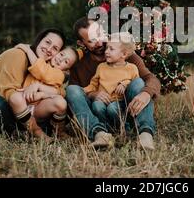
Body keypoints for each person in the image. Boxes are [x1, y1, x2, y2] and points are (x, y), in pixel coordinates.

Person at [66, 17, 161, 150]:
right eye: (92, 40)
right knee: (71, 90)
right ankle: (99, 134)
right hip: (98, 113)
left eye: (99, 35)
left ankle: (145, 134)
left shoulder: (126, 54)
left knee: (139, 82)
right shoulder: (79, 66)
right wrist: (93, 94)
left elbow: (151, 79)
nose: (99, 43)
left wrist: (146, 93)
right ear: (81, 43)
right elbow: (76, 102)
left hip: (123, 110)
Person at [0, 28, 68, 140]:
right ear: (39, 40)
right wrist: (36, 96)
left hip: (22, 116)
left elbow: (61, 92)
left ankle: (24, 132)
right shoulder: (18, 55)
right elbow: (8, 94)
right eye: (47, 42)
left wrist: (41, 90)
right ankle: (27, 132)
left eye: (55, 48)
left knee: (64, 103)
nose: (49, 49)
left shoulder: (45, 67)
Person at [12, 43, 79, 138]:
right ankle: (35, 131)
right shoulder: (42, 61)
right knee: (15, 97)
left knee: (60, 102)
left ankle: (59, 132)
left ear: (67, 71)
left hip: (38, 109)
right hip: (22, 105)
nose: (61, 59)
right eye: (61, 54)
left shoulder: (59, 74)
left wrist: (28, 50)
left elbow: (43, 72)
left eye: (66, 62)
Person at [84, 32, 139, 133]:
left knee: (112, 109)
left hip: (120, 101)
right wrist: (85, 91)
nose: (106, 52)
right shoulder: (101, 67)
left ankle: (123, 128)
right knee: (97, 106)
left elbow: (135, 84)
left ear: (124, 54)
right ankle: (105, 128)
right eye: (107, 48)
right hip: (103, 99)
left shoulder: (131, 68)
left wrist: (124, 83)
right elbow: (94, 83)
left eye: (111, 49)